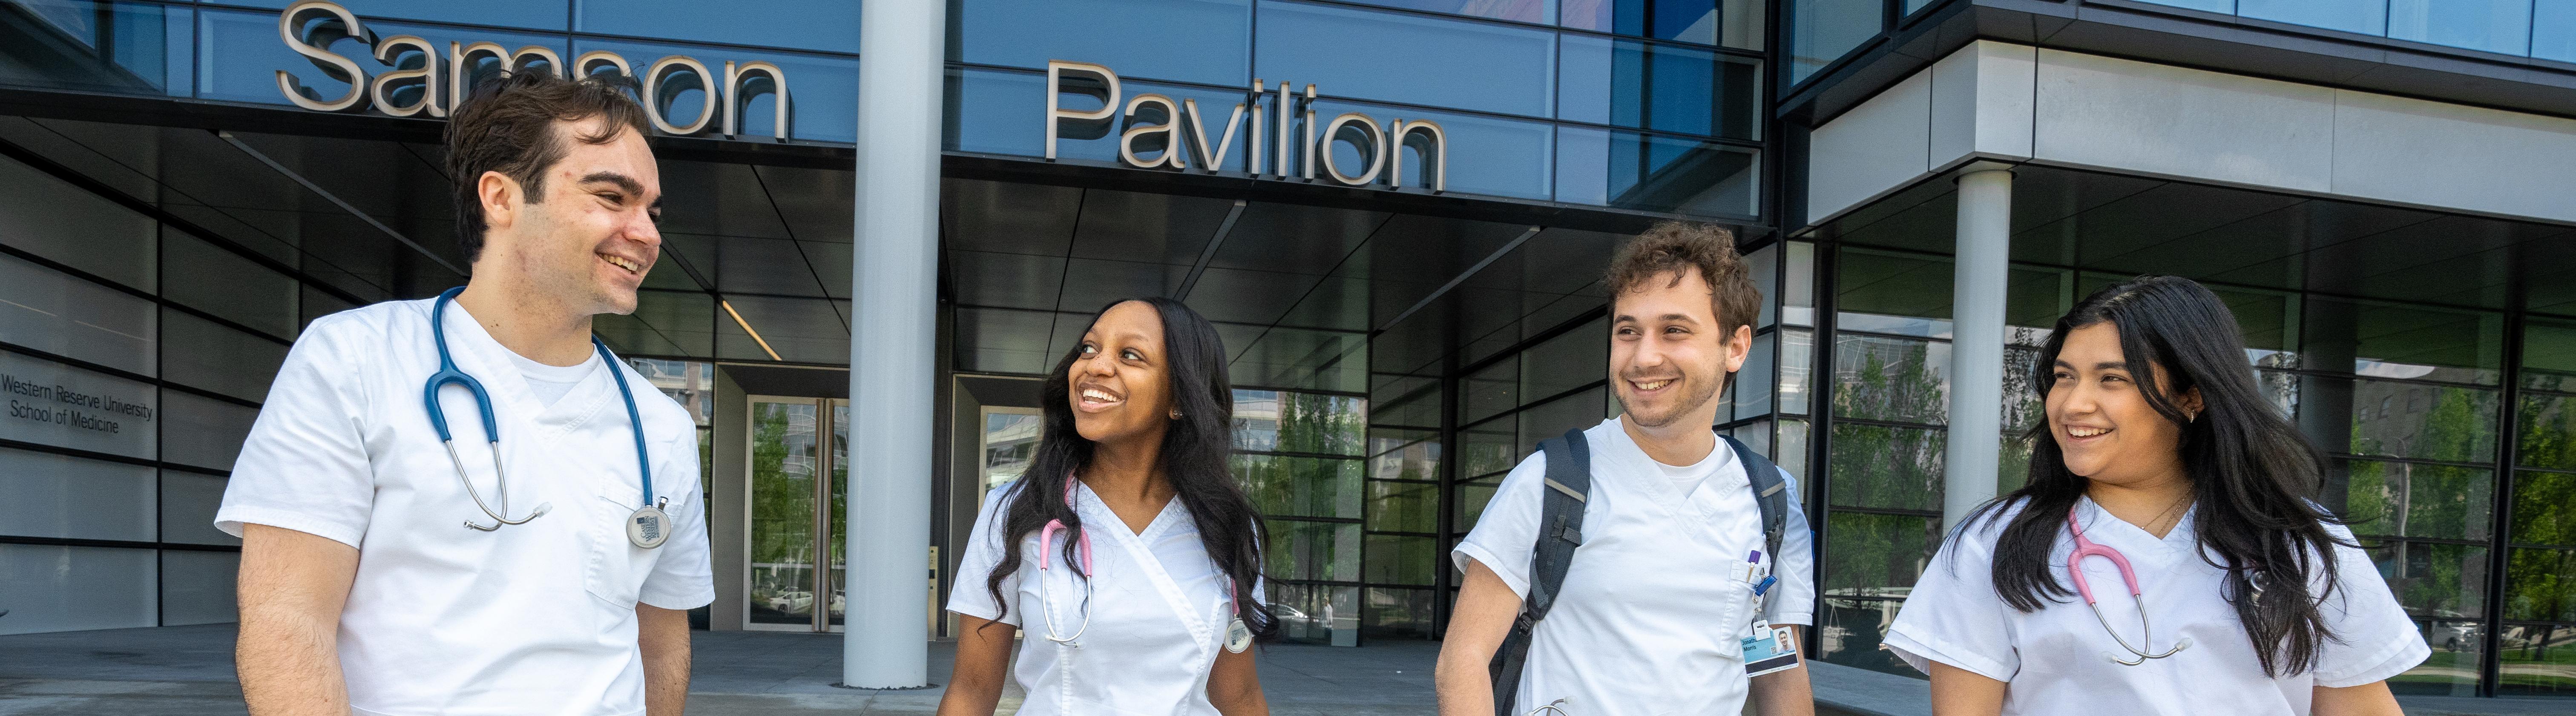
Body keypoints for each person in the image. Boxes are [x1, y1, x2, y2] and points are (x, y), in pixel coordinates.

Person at [218, 69, 709, 716]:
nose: (646, 233)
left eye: (651, 209)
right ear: (501, 199)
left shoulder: (662, 426)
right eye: (612, 197)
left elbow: (662, 644)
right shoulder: (356, 362)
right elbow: (288, 620)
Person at [1885, 276, 2425, 716]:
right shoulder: (1992, 546)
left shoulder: (2302, 544)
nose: (2074, 403)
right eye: (2064, 377)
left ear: (2193, 394)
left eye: (2111, 379)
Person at [1435, 222, 1817, 716]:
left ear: (1736, 347)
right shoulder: (1553, 481)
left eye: (1674, 331)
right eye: (1628, 331)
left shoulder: (1772, 501)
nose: (1644, 357)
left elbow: (1777, 671)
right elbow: (1463, 661)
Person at [937, 297, 1274, 716]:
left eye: (1130, 355)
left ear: (1180, 398)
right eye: (1089, 349)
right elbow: (971, 691)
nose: (1095, 366)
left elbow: (1240, 696)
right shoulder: (1016, 512)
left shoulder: (1228, 528)